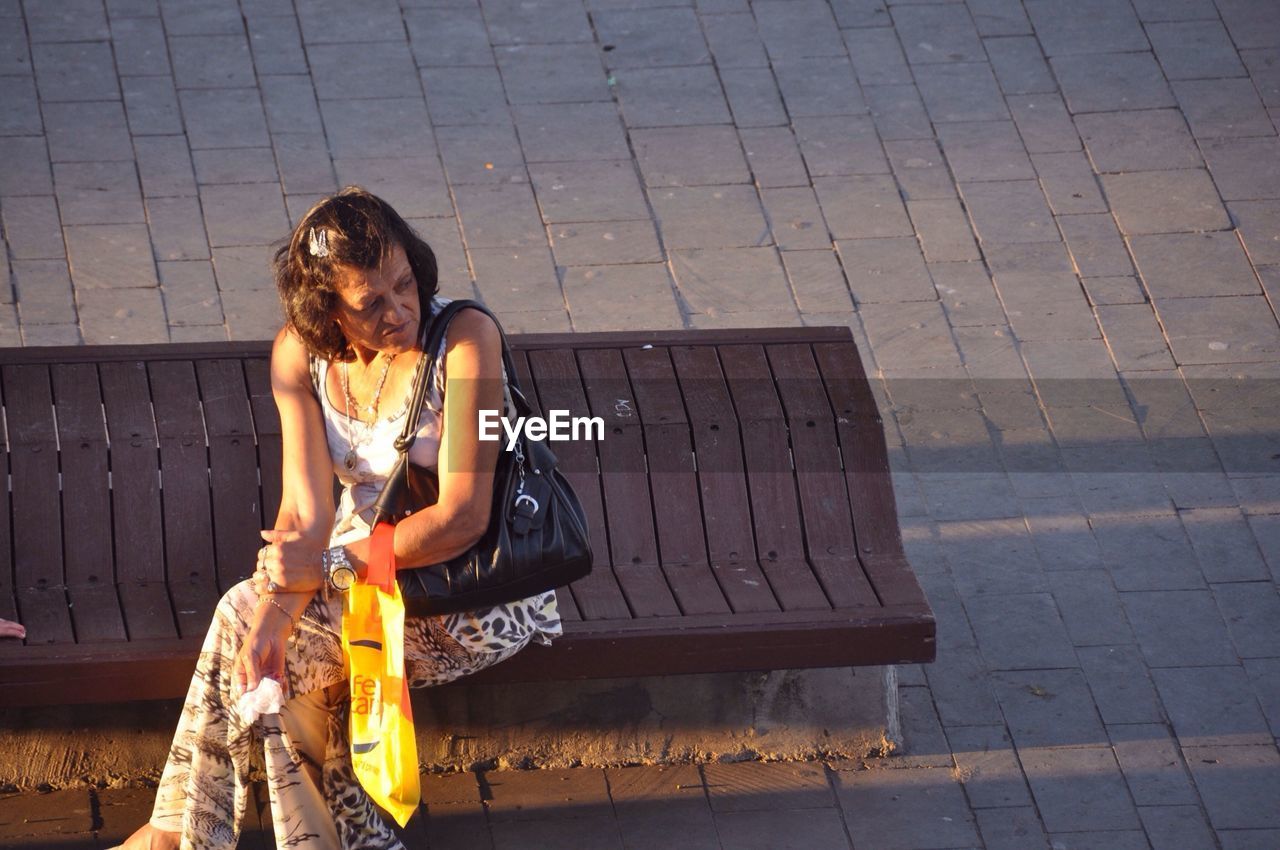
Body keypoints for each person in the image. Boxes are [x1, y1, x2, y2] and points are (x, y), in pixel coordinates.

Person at [113, 186, 561, 849]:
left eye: (405, 285)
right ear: (326, 310)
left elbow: (463, 517)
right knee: (269, 668)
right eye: (370, 303)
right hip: (358, 583)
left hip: (470, 593)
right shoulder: (301, 356)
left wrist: (313, 576)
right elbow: (306, 511)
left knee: (247, 629)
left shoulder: (465, 341)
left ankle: (173, 839)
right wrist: (277, 613)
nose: (399, 309)